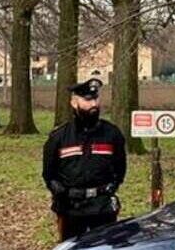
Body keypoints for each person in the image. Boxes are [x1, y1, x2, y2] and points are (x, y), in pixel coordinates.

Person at [43, 78, 128, 241]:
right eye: (88, 100)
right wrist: (60, 192)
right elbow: (49, 173)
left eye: (96, 99)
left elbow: (120, 168)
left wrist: (112, 187)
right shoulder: (59, 137)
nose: (94, 104)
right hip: (71, 208)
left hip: (102, 207)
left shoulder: (112, 134)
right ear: (74, 103)